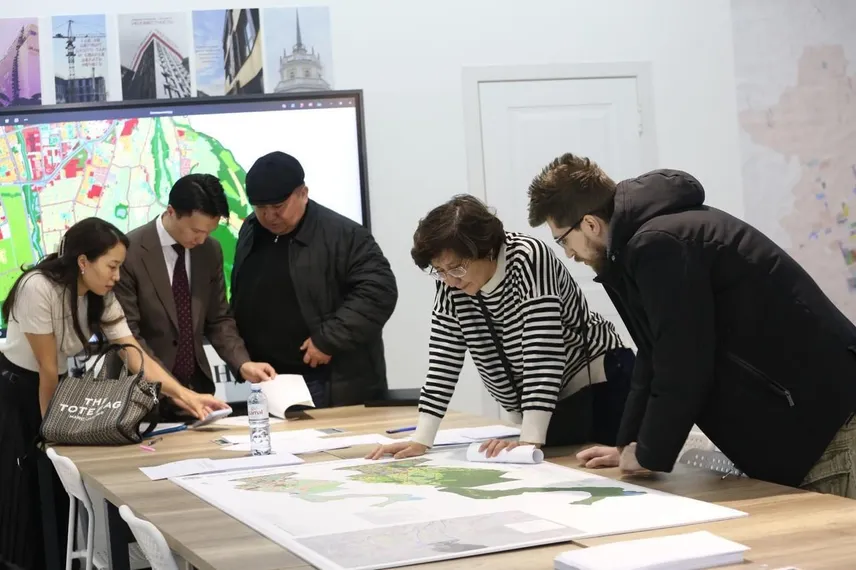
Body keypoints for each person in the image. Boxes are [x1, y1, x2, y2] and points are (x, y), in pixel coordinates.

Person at [526, 152, 856, 497]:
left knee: (833, 532)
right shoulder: (645, 244)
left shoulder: (660, 244)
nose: (568, 253)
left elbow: (682, 362)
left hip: (824, 424)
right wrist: (630, 447)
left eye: (563, 240)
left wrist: (649, 454)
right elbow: (654, 353)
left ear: (590, 224)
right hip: (810, 418)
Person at [0, 217, 229, 569]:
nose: (117, 276)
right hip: (19, 390)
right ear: (83, 261)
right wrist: (51, 434)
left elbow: (133, 353)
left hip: (53, 387)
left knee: (59, 496)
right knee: (27, 491)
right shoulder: (38, 287)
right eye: (112, 266)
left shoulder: (100, 296)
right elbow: (46, 369)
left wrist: (187, 396)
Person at [367, 195, 634, 461]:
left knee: (617, 470)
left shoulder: (527, 258)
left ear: (487, 249)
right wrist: (421, 439)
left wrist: (529, 439)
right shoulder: (450, 282)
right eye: (439, 271)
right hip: (547, 403)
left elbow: (542, 353)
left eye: (456, 268)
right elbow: (443, 358)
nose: (449, 281)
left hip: (598, 384)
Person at [231, 151, 398, 408]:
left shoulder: (345, 235)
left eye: (278, 207)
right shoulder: (252, 228)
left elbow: (378, 292)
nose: (269, 216)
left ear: (303, 193)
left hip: (328, 380)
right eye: (261, 208)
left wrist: (327, 340)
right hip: (270, 380)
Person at [113, 174, 275, 420]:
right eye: (196, 231)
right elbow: (128, 335)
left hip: (197, 392)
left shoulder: (210, 251)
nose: (201, 240)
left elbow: (218, 318)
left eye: (208, 232)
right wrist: (172, 389)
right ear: (171, 212)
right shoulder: (130, 252)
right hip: (141, 395)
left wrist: (243, 363)